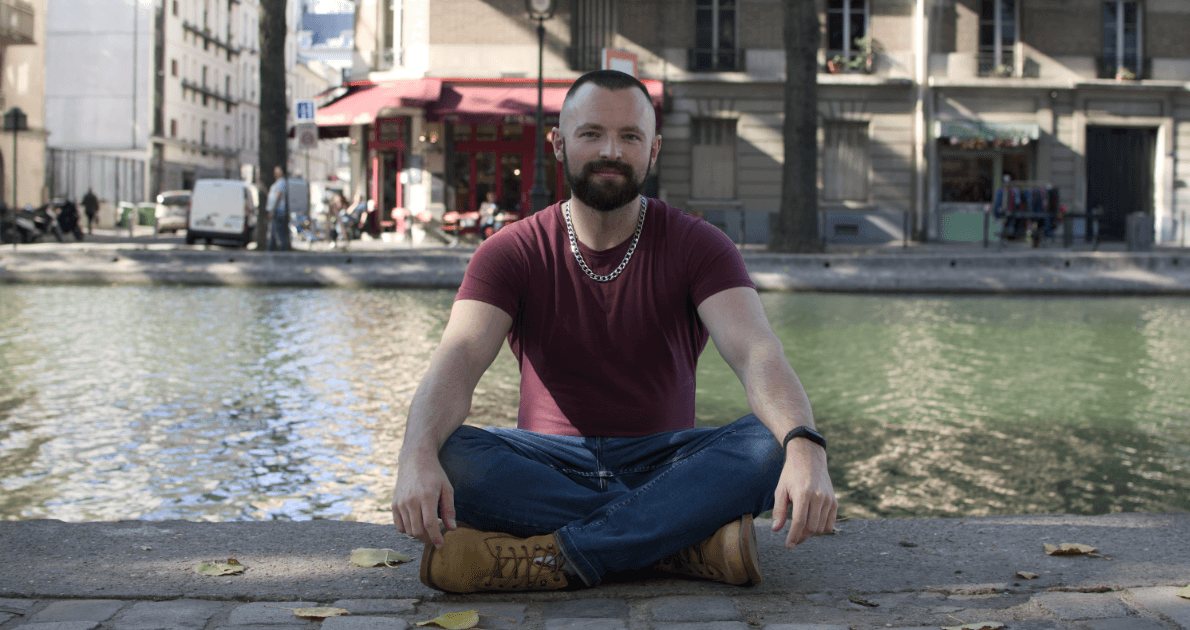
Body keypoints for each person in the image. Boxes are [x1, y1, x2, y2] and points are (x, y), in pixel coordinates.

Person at [391, 70, 837, 594]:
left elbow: (756, 351)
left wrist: (805, 445)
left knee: (770, 444)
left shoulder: (700, 246)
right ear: (559, 144)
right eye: (591, 134)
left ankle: (557, 553)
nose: (612, 150)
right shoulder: (511, 251)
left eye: (630, 137)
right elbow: (459, 358)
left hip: (664, 462)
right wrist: (415, 454)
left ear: (653, 151)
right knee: (448, 451)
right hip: (547, 464)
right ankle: (678, 543)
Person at [265, 166, 291, 251]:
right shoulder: (277, 182)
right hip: (276, 209)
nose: (275, 173)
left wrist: (273, 209)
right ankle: (271, 248)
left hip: (278, 210)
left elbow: (279, 196)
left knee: (278, 231)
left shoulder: (281, 182)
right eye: (275, 171)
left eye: (277, 171)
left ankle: (282, 250)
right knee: (273, 231)